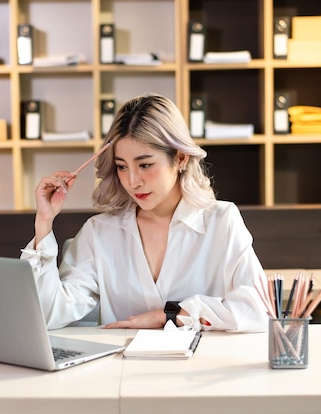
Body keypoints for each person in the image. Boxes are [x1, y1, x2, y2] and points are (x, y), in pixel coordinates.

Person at [20, 93, 268, 332]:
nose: (132, 181)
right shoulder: (99, 232)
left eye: (145, 165)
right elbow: (48, 314)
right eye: (122, 167)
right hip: (120, 372)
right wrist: (44, 222)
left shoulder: (222, 221)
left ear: (180, 158)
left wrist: (170, 314)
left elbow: (258, 309)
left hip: (199, 370)